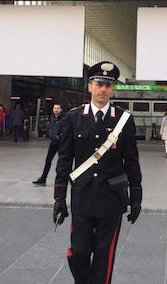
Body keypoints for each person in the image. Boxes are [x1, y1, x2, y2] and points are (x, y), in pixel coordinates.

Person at [53, 61, 142, 284]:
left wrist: (136, 196)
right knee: (79, 252)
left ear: (112, 89)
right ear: (90, 87)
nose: (103, 89)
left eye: (108, 85)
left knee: (104, 255)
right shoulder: (73, 118)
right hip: (83, 196)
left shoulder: (124, 119)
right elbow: (64, 160)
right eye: (99, 84)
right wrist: (59, 198)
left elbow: (131, 160)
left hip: (112, 198)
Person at [33, 104, 65, 186]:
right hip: (53, 142)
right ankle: (43, 179)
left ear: (61, 109)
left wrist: (59, 137)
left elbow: (65, 130)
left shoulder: (64, 119)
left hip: (61, 143)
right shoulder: (52, 118)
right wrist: (50, 134)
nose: (56, 110)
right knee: (48, 160)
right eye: (54, 108)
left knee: (63, 162)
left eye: (58, 108)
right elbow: (51, 128)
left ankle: (65, 179)